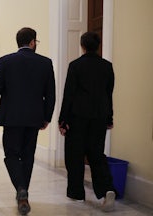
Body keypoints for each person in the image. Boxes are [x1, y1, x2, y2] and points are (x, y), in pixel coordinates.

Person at [0, 27, 55, 215]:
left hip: (11, 119)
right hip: (34, 118)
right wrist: (47, 117)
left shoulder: (6, 61)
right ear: (32, 42)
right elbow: (51, 95)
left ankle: (21, 190)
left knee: (11, 155)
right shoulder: (45, 63)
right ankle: (23, 193)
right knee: (28, 155)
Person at [58, 31, 116, 212]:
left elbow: (69, 94)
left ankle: (76, 193)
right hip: (99, 116)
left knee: (74, 155)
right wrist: (109, 117)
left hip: (78, 117)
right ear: (97, 46)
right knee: (97, 155)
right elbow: (108, 94)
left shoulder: (75, 66)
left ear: (82, 46)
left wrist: (63, 119)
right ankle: (106, 189)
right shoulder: (107, 66)